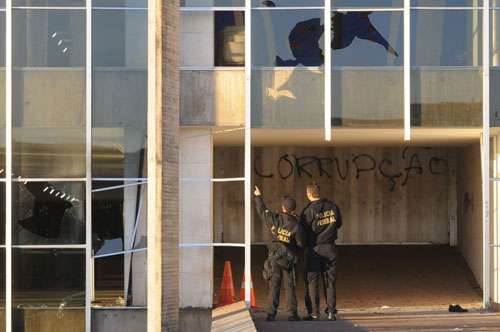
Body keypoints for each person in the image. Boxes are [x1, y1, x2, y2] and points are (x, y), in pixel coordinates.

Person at [254, 186, 303, 322]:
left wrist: (258, 196)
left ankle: (271, 314)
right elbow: (300, 244)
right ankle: (292, 314)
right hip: (289, 260)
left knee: (274, 286)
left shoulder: (275, 219)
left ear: (283, 208)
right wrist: (296, 256)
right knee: (290, 287)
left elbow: (262, 212)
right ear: (293, 209)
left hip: (275, 257)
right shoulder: (297, 225)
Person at [301, 182, 342, 321]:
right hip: (330, 248)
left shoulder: (307, 211)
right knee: (330, 281)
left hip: (314, 250)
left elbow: (303, 232)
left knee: (313, 281)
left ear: (309, 194)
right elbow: (339, 223)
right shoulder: (333, 206)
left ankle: (314, 313)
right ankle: (331, 312)